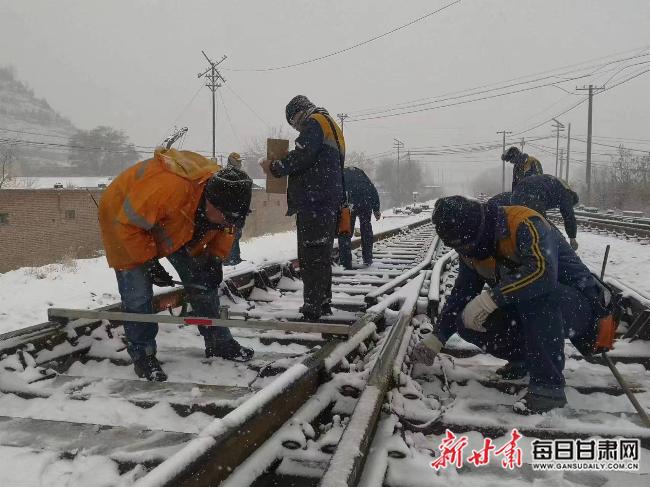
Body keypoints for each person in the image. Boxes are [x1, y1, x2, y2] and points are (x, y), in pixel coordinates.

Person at [412, 196, 608, 414]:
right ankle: (522, 360)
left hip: (579, 308)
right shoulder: (470, 247)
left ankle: (548, 387)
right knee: (466, 320)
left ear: (478, 231)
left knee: (536, 294)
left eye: (467, 245)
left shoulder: (524, 224)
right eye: (460, 248)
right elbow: (462, 295)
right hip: (530, 308)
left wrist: (490, 299)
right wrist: (437, 337)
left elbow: (542, 274)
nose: (466, 252)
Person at [98, 147, 254, 382]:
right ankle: (143, 356)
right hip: (124, 218)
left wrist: (214, 258)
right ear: (210, 202)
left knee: (203, 282)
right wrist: (148, 262)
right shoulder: (169, 189)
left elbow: (225, 228)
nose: (228, 222)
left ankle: (219, 343)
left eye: (234, 218)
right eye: (225, 216)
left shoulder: (225, 197)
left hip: (174, 221)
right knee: (138, 294)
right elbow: (128, 225)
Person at [260, 95, 345, 321]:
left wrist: (275, 167)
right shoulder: (332, 127)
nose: (297, 128)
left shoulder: (315, 122)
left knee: (311, 255)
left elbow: (303, 155)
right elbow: (315, 158)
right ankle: (322, 302)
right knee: (321, 254)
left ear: (298, 113)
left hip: (314, 201)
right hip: (327, 201)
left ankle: (313, 307)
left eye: (294, 123)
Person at [487, 174, 580, 250]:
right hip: (533, 195)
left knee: (519, 224)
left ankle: (516, 250)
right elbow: (569, 216)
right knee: (543, 229)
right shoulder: (567, 194)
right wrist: (572, 238)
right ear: (572, 198)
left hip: (518, 191)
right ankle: (554, 252)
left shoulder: (555, 185)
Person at [338, 166, 381, 269]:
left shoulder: (342, 175)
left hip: (350, 203)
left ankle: (345, 263)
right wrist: (376, 210)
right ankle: (368, 259)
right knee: (366, 229)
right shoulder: (363, 176)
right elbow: (373, 191)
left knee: (345, 232)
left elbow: (337, 191)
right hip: (365, 203)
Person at [224, 152, 246, 265]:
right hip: (230, 214)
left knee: (235, 236)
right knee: (231, 236)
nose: (240, 162)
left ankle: (234, 258)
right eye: (238, 160)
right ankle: (231, 259)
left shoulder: (238, 174)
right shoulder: (228, 174)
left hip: (236, 212)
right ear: (232, 160)